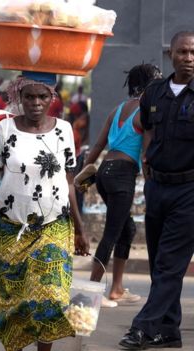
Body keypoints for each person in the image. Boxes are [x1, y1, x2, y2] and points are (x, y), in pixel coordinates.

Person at [0, 74, 90, 351]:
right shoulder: (4, 129)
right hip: (11, 227)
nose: (36, 103)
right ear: (19, 98)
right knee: (13, 302)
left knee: (50, 298)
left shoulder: (64, 129)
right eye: (29, 97)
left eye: (42, 97)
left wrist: (80, 228)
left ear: (52, 98)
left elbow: (69, 182)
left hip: (54, 225)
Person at [118, 31, 194, 350]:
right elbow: (148, 130)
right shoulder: (154, 93)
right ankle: (168, 330)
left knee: (169, 264)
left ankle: (144, 327)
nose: (188, 57)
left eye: (193, 52)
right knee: (158, 262)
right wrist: (147, 163)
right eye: (182, 52)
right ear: (170, 54)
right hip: (157, 187)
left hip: (190, 190)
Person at [79, 64, 162, 308]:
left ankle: (116, 289)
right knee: (112, 233)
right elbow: (147, 153)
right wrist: (151, 187)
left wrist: (85, 171)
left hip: (105, 172)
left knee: (126, 230)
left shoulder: (117, 110)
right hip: (123, 175)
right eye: (156, 82)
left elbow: (96, 146)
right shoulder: (144, 112)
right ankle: (93, 292)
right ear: (148, 86)